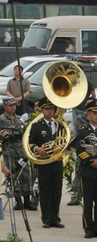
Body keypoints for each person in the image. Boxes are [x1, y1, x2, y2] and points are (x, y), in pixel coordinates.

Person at [76, 99, 97, 239]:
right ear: (88, 114)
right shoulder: (83, 131)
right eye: (95, 113)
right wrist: (91, 161)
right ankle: (89, 228)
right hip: (88, 170)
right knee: (89, 201)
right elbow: (79, 150)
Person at [28, 97, 65, 228]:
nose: (50, 111)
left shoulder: (60, 125)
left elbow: (65, 141)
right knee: (45, 191)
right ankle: (46, 218)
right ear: (42, 110)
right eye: (47, 109)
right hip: (44, 163)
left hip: (57, 162)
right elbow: (30, 142)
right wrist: (37, 148)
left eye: (52, 109)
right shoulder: (37, 126)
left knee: (57, 190)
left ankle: (56, 217)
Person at [0, 97, 33, 210]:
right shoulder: (1, 120)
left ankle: (27, 201)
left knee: (26, 175)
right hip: (9, 151)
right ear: (4, 107)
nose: (13, 107)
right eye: (10, 105)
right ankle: (18, 201)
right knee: (12, 177)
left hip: (21, 152)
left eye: (14, 105)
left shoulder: (19, 118)